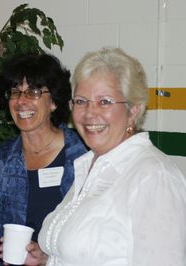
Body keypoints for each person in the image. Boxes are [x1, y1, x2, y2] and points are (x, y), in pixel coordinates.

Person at [32, 47, 186, 265]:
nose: (89, 113)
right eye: (81, 101)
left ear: (133, 111)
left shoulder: (154, 177)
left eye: (104, 101)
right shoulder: (91, 166)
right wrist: (51, 257)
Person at [0, 53, 87, 265]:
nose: (22, 101)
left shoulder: (82, 156)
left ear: (53, 102)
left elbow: (93, 236)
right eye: (15, 92)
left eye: (33, 91)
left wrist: (48, 259)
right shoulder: (2, 159)